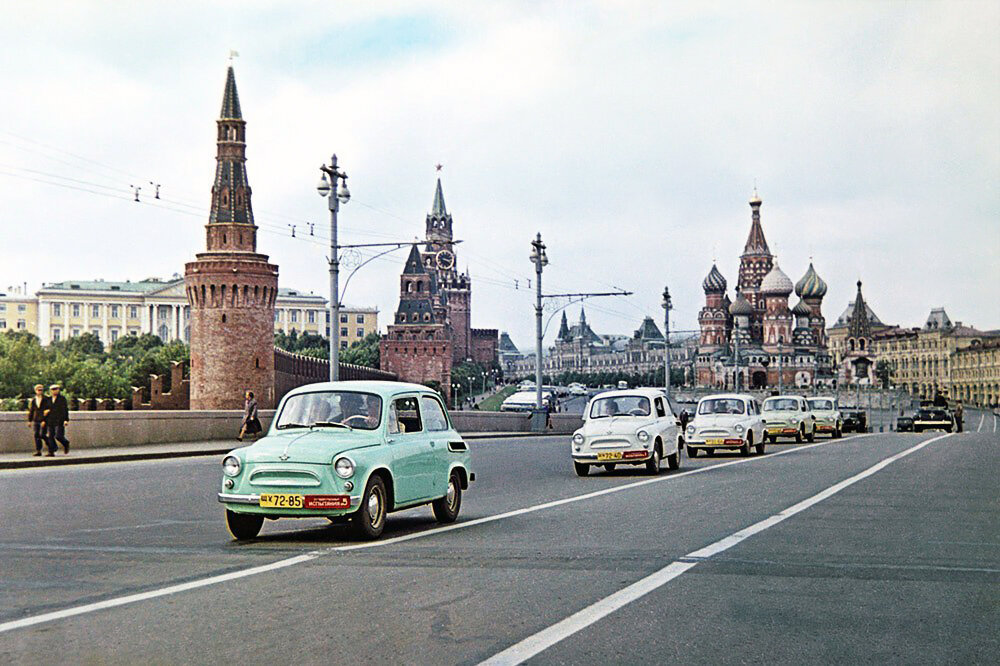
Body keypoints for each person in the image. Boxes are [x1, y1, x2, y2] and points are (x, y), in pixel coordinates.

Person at [27, 384, 55, 457]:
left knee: (43, 435)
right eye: (39, 390)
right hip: (36, 419)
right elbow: (32, 410)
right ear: (35, 391)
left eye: (41, 390)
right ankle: (38, 450)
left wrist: (45, 420)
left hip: (44, 420)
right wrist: (29, 420)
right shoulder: (33, 400)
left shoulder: (47, 399)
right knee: (36, 435)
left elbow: (50, 410)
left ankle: (51, 449)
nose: (40, 391)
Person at [45, 384, 70, 455]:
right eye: (53, 389)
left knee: (58, 436)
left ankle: (65, 443)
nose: (54, 391)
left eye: (56, 389)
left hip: (59, 420)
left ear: (58, 390)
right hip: (50, 420)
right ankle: (51, 451)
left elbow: (65, 409)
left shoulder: (62, 399)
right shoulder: (48, 399)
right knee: (50, 436)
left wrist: (66, 420)